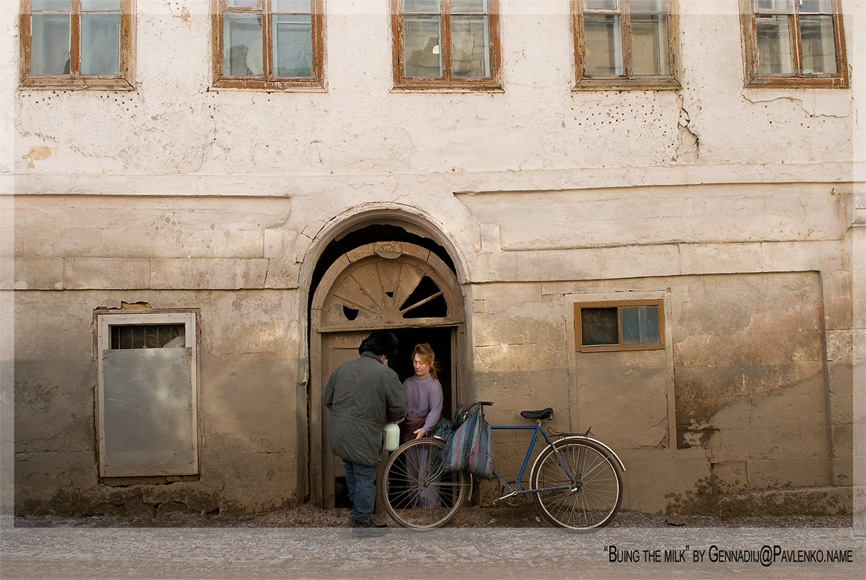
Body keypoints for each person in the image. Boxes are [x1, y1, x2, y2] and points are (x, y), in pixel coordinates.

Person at [324, 330, 408, 537]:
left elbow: (328, 400)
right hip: (364, 435)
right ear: (384, 354)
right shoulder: (386, 374)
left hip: (339, 434)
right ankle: (362, 523)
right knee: (364, 476)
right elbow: (399, 409)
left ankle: (357, 509)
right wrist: (387, 417)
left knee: (351, 469)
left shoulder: (341, 369)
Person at [400, 343, 444, 509]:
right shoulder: (408, 383)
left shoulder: (434, 385)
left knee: (426, 474)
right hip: (410, 432)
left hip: (427, 435)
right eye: (415, 362)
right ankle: (416, 510)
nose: (417, 366)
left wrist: (425, 428)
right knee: (411, 475)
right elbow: (402, 408)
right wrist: (396, 420)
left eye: (422, 363)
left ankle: (430, 509)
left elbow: (436, 410)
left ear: (430, 364)